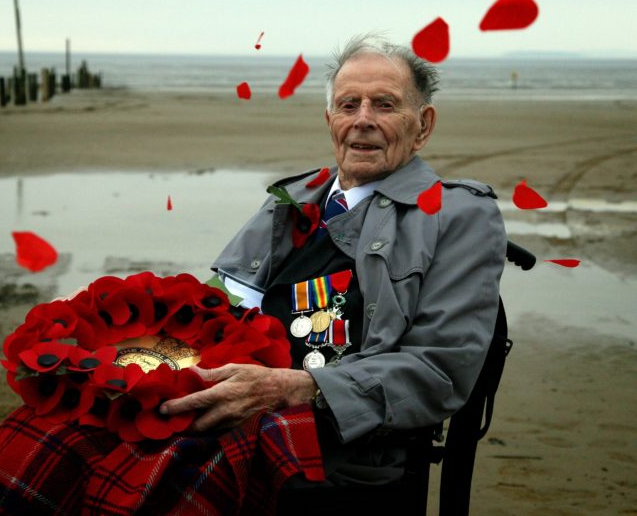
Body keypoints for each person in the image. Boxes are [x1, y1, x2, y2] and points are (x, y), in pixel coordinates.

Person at [159, 32, 507, 491]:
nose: (362, 120)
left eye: (384, 104)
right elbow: (216, 303)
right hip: (243, 400)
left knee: (169, 474)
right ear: (330, 119)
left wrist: (295, 387)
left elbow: (439, 371)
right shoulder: (292, 199)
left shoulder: (458, 215)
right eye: (348, 105)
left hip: (346, 443)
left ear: (422, 126)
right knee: (85, 429)